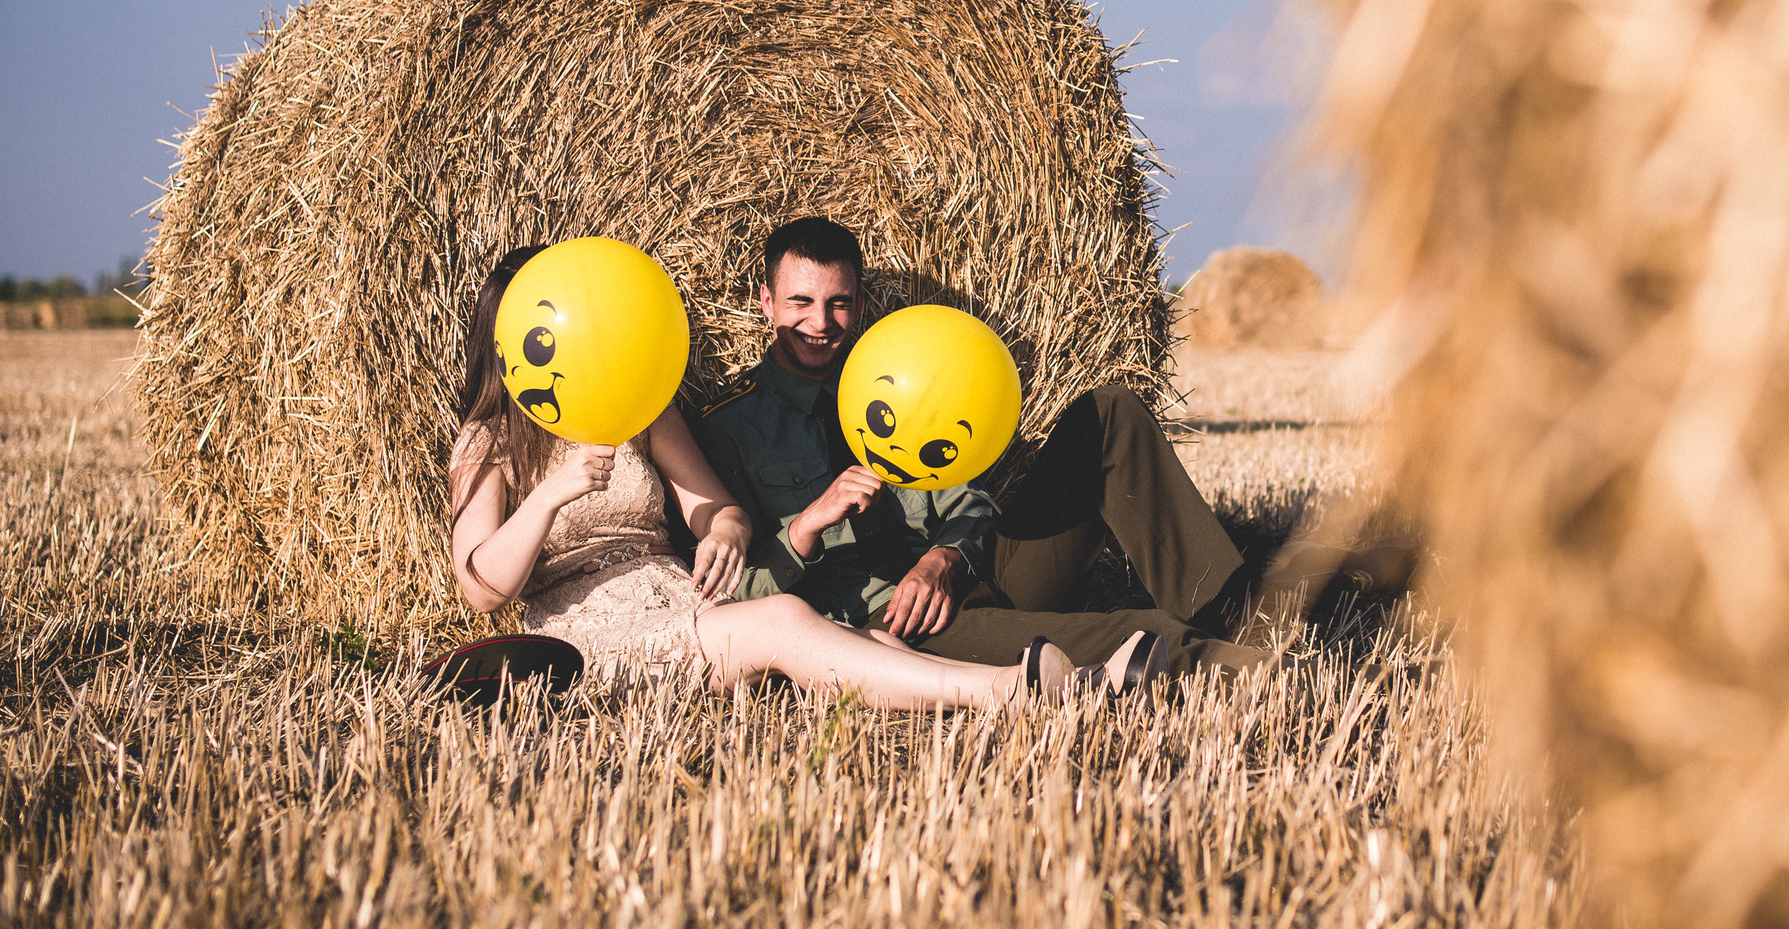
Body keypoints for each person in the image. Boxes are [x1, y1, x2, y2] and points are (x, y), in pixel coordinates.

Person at [445, 245, 1156, 707]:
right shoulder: (488, 442)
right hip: (593, 631)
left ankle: (1085, 684)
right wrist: (552, 490)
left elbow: (716, 510)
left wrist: (722, 530)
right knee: (787, 620)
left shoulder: (640, 408)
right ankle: (1009, 689)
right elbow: (482, 588)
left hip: (678, 595)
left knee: (861, 641)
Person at [690, 217, 1270, 674]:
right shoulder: (729, 429)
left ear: (860, 304)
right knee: (1126, 636)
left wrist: (946, 558)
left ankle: (1233, 614)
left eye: (838, 302)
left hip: (971, 573)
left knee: (1109, 413)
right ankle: (1254, 671)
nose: (821, 322)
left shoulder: (900, 376)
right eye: (801, 303)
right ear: (766, 301)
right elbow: (733, 601)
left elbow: (970, 502)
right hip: (893, 623)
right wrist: (806, 527)